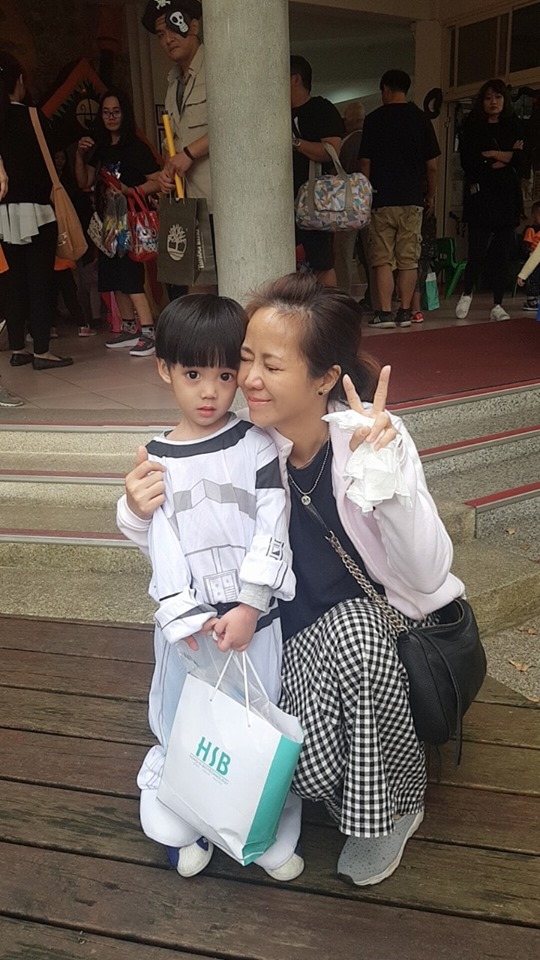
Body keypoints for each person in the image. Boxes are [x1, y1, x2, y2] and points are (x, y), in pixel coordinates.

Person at [121, 271, 465, 887]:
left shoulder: (370, 438)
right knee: (300, 776)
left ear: (324, 377)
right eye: (245, 358)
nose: (247, 378)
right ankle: (352, 769)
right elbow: (190, 527)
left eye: (271, 365)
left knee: (355, 632)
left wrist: (385, 481)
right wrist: (135, 509)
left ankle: (394, 805)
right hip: (287, 649)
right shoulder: (247, 446)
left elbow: (429, 572)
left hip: (387, 641)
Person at [116, 294, 301, 882]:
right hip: (190, 631)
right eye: (193, 374)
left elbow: (272, 523)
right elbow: (161, 540)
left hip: (254, 623)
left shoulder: (257, 444)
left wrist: (250, 605)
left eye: (225, 376)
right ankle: (182, 814)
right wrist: (185, 614)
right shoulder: (156, 458)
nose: (210, 392)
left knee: (256, 716)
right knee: (183, 717)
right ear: (164, 368)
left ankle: (257, 821)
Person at [0, 52, 73, 370]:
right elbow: (54, 150)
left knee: (13, 281)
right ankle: (42, 349)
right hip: (38, 210)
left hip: (3, 213)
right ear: (19, 81)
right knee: (40, 279)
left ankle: (18, 347)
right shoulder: (32, 116)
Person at [75, 88, 161, 356]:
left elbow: (158, 181)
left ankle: (148, 332)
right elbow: (84, 181)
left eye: (116, 111)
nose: (111, 117)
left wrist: (130, 190)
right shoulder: (100, 148)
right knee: (113, 277)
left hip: (130, 222)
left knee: (131, 277)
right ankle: (129, 327)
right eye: (106, 112)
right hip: (107, 223)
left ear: (125, 114)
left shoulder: (136, 147)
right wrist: (79, 155)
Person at [142, 0, 216, 295]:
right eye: (161, 34)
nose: (168, 39)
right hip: (188, 204)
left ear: (194, 26)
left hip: (222, 203)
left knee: (234, 293)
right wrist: (166, 170)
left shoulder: (217, 67)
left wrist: (188, 154)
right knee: (197, 292)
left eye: (174, 28)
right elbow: (172, 141)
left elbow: (235, 124)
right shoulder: (173, 82)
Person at [359, 69, 441, 329]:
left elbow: (365, 163)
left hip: (381, 200)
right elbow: (432, 166)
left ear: (385, 89)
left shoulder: (373, 120)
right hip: (412, 200)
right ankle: (405, 312)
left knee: (382, 259)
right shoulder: (421, 119)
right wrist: (430, 195)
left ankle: (384, 313)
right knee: (408, 260)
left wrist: (365, 196)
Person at [456, 78, 525, 322]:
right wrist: (506, 157)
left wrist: (495, 154)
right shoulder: (473, 127)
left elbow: (521, 160)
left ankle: (497, 304)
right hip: (481, 196)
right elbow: (470, 162)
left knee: (502, 253)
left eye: (497, 97)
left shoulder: (514, 125)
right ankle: (467, 293)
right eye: (488, 98)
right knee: (477, 250)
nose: (493, 102)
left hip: (507, 196)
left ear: (504, 100)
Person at [291, 55, 344, 287]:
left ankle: (328, 306)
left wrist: (294, 142)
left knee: (322, 263)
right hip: (280, 201)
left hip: (316, 200)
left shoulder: (321, 108)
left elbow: (331, 150)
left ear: (295, 79)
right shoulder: (275, 111)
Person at [520, 199, 540, 311]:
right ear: (534, 215)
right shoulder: (531, 230)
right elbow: (526, 246)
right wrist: (529, 253)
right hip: (533, 258)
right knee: (535, 275)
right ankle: (531, 298)